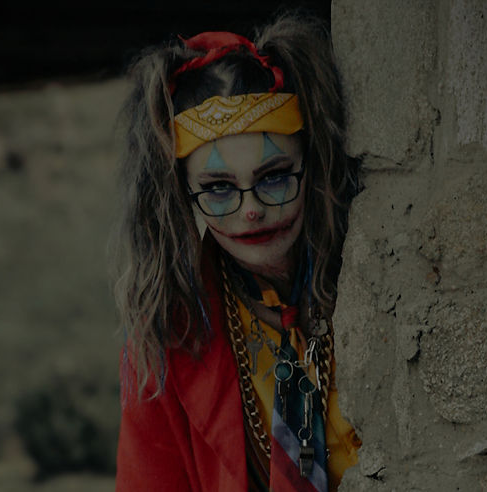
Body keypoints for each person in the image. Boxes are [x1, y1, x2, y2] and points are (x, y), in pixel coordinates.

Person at [113, 11, 361, 491]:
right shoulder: (165, 339)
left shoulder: (379, 276)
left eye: (273, 177)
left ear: (312, 164)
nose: (251, 211)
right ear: (182, 192)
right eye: (219, 187)